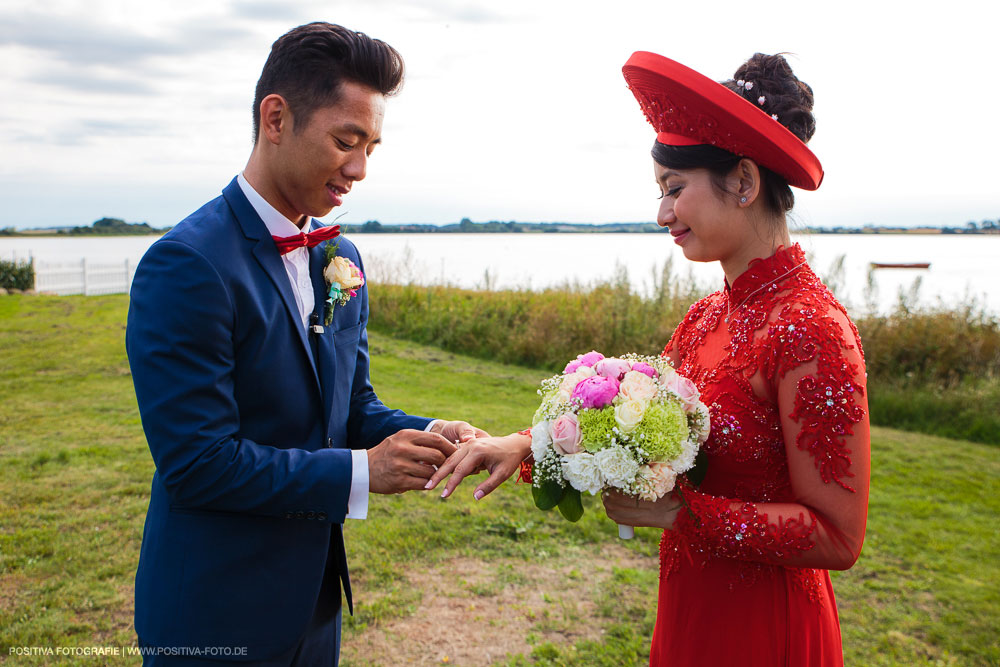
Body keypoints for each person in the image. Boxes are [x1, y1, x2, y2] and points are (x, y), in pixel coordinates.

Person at [431, 51, 870, 667]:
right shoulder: (704, 319)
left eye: (674, 190)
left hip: (766, 629)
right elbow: (633, 436)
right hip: (691, 605)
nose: (663, 213)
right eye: (661, 192)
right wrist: (525, 445)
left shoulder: (811, 331)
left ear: (743, 182)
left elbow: (838, 534)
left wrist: (684, 513)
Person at [126, 22, 486, 666]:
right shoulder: (185, 264)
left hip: (313, 607)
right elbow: (198, 463)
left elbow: (349, 408)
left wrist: (431, 431)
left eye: (372, 146)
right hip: (212, 613)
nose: (360, 169)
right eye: (346, 142)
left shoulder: (339, 256)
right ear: (275, 118)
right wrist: (362, 472)